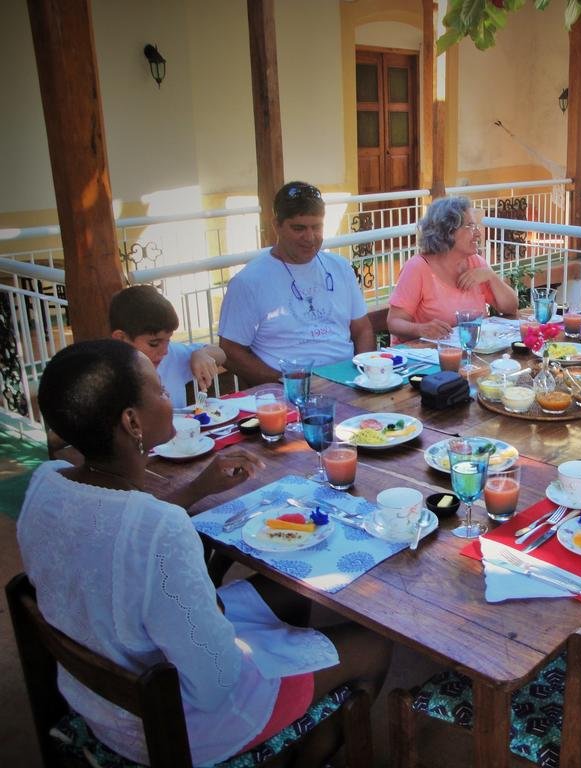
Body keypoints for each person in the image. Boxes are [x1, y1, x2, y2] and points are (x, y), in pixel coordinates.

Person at [19, 340, 392, 764]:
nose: (170, 399)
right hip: (171, 724)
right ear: (132, 421)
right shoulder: (161, 529)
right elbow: (217, 683)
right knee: (373, 645)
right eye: (161, 391)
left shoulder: (46, 483)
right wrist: (218, 614)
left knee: (293, 589)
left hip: (102, 695)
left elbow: (122, 531)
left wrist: (197, 489)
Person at [219, 181, 375, 385]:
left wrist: (365, 374)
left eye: (317, 227)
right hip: (289, 390)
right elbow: (230, 350)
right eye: (298, 228)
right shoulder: (248, 282)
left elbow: (362, 329)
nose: (309, 238)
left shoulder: (341, 267)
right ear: (277, 226)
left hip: (349, 381)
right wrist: (284, 381)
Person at [387, 196, 519, 343]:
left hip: (469, 350)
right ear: (447, 231)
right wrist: (420, 329)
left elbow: (511, 307)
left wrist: (491, 276)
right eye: (470, 226)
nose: (478, 233)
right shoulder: (417, 268)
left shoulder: (475, 262)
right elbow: (394, 322)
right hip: (427, 353)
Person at [109, 284, 225, 409]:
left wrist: (202, 354)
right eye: (154, 343)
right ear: (121, 338)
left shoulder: (172, 355)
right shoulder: (107, 378)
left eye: (168, 340)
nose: (164, 351)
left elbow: (221, 354)